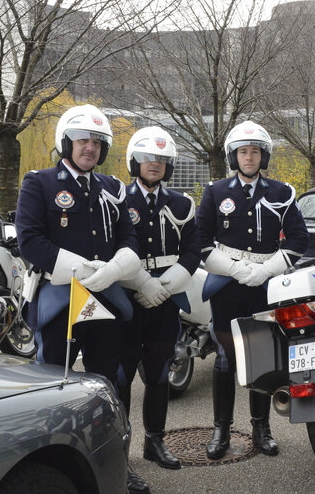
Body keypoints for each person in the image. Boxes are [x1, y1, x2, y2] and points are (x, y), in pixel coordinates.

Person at [15, 104, 149, 494]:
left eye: (97, 142)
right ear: (67, 142)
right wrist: (83, 269)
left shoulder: (112, 188)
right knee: (53, 384)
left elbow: (129, 238)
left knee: (111, 383)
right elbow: (30, 241)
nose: (89, 148)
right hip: (60, 298)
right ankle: (53, 470)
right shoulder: (38, 183)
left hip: (104, 298)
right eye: (83, 141)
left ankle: (119, 466)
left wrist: (119, 265)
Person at [196, 120, 308, 459]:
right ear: (234, 156)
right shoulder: (215, 192)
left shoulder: (281, 193)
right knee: (226, 359)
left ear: (264, 156)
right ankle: (221, 430)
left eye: (255, 151)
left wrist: (265, 271)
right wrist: (234, 269)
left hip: (265, 285)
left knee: (262, 355)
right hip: (228, 285)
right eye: (243, 152)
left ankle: (262, 428)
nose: (249, 157)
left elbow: (300, 240)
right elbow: (200, 242)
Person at [118, 126, 200, 473]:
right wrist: (141, 286)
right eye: (149, 158)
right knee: (121, 378)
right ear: (135, 161)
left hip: (164, 301)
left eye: (162, 160)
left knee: (159, 375)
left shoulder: (181, 203)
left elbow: (192, 252)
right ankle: (120, 450)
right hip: (126, 300)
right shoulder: (117, 199)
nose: (155, 164)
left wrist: (163, 288)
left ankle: (154, 441)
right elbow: (111, 249)